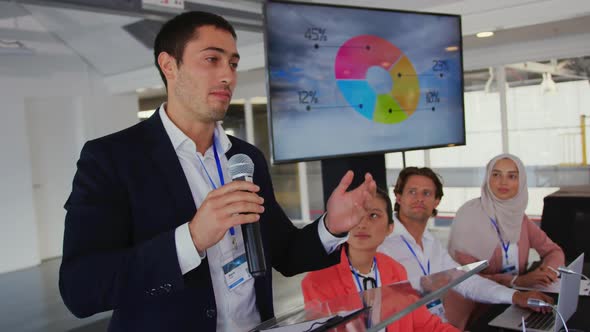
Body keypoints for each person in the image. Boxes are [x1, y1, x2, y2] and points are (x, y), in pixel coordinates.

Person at [59, 11, 376, 332]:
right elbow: (81, 289)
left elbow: (286, 253)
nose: (228, 75)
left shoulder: (244, 157)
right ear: (169, 66)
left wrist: (330, 227)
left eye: (233, 64)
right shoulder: (111, 158)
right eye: (212, 59)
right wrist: (191, 239)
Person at [378, 167, 553, 330]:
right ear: (399, 198)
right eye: (412, 192)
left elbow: (466, 281)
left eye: (427, 193)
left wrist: (516, 297)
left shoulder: (431, 243)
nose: (419, 199)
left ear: (436, 201)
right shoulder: (380, 243)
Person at [302, 188, 459, 332]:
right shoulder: (317, 281)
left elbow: (424, 323)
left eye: (374, 215)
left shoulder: (395, 269)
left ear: (389, 228)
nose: (362, 224)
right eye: (355, 215)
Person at [448, 154, 564, 326]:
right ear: (488, 179)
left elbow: (553, 251)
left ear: (521, 182)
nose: (503, 182)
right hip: (474, 310)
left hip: (514, 303)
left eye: (512, 176)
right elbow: (467, 278)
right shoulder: (468, 215)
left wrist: (547, 273)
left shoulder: (519, 218)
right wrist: (516, 281)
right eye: (496, 175)